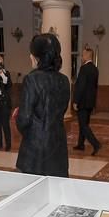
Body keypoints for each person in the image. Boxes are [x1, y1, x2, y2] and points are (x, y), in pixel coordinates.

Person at [15, 33, 70, 177]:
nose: (30, 57)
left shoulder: (32, 79)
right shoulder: (64, 80)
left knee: (33, 194)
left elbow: (24, 119)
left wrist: (33, 134)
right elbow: (61, 111)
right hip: (58, 144)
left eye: (31, 54)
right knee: (56, 191)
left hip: (36, 149)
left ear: (37, 57)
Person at [73, 47, 101, 156]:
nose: (82, 57)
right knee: (84, 124)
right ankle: (80, 144)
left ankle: (96, 144)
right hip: (90, 102)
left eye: (83, 55)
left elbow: (80, 86)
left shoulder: (84, 69)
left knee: (83, 125)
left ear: (88, 56)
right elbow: (94, 87)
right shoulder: (95, 69)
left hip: (83, 102)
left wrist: (76, 101)